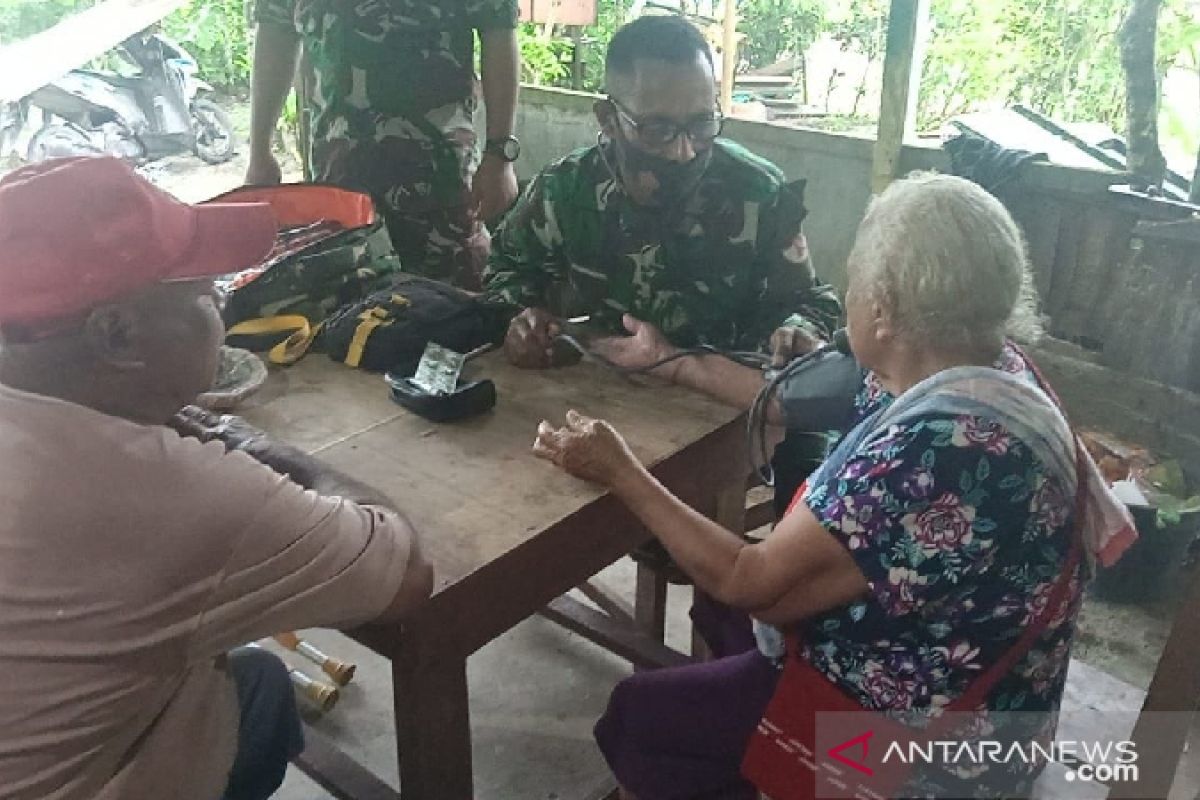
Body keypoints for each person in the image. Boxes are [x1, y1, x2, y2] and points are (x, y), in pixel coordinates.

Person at [533, 174, 1137, 799]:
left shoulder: (936, 452)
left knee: (640, 716)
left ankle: (773, 770)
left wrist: (621, 470)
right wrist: (672, 359)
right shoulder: (981, 369)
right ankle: (748, 745)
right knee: (714, 605)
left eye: (852, 277)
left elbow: (751, 579)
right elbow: (787, 401)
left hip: (933, 751)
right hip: (971, 681)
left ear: (881, 307)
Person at [0, 157, 434, 800]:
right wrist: (255, 446)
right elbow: (406, 575)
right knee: (249, 692)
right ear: (117, 335)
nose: (223, 310)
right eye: (209, 295)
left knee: (255, 679)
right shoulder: (161, 487)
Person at [484, 14, 840, 370]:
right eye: (657, 128)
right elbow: (505, 269)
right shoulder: (562, 191)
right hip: (607, 389)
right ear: (609, 120)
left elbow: (811, 302)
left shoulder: (759, 193)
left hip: (726, 393)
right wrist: (524, 322)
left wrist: (796, 331)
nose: (683, 151)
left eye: (701, 124)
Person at [247, 0, 521, 290]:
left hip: (440, 177)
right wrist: (260, 150)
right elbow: (275, 35)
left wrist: (500, 155)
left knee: (457, 303)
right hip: (339, 177)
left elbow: (499, 32)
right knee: (348, 304)